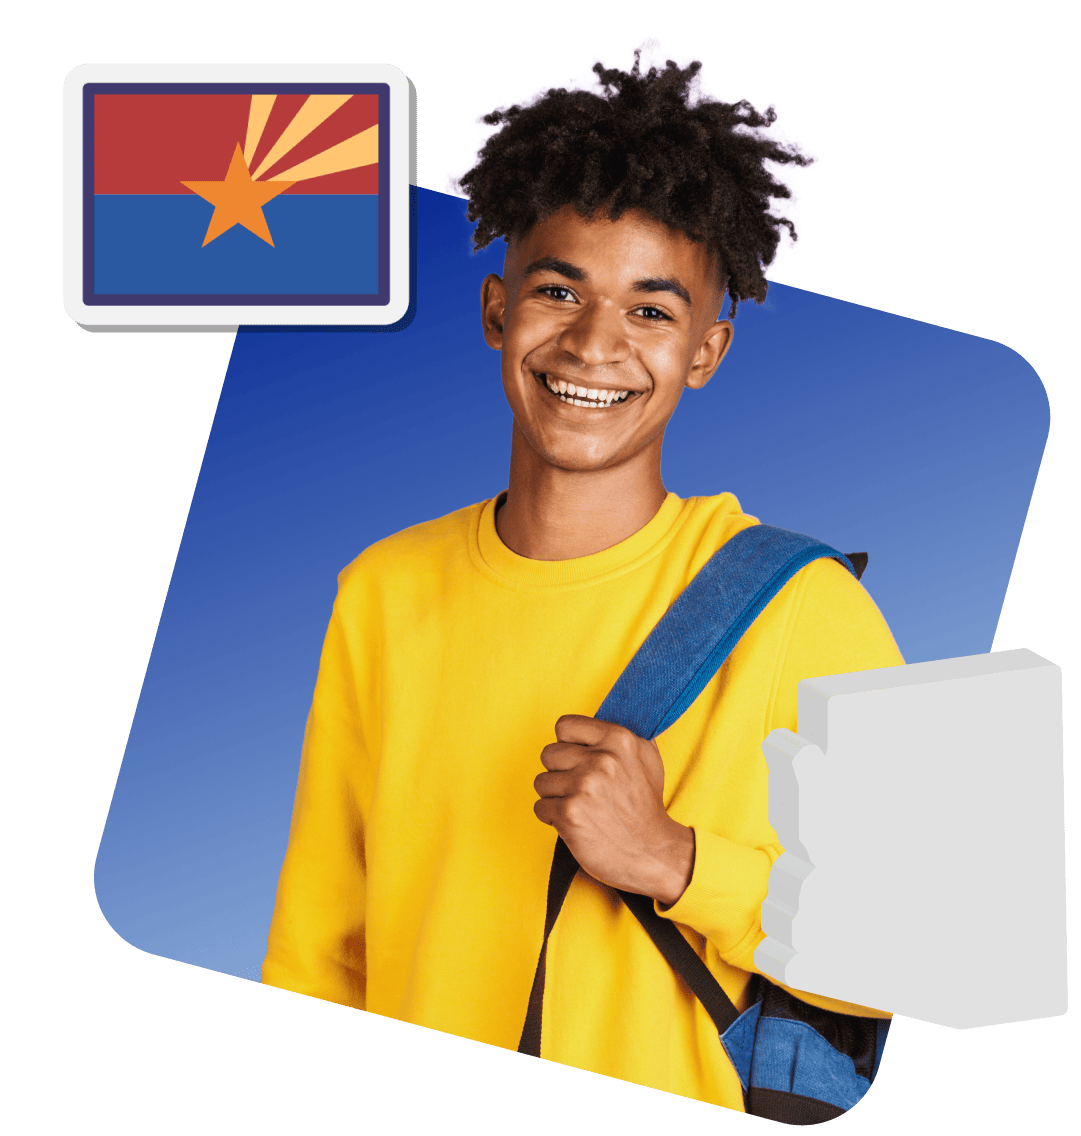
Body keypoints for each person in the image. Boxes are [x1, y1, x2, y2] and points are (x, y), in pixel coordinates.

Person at [261, 39, 903, 1112]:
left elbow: (916, 947)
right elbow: (319, 947)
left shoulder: (800, 606)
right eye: (559, 290)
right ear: (495, 311)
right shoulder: (382, 589)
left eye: (652, 309)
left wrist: (673, 860)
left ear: (705, 353)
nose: (595, 343)